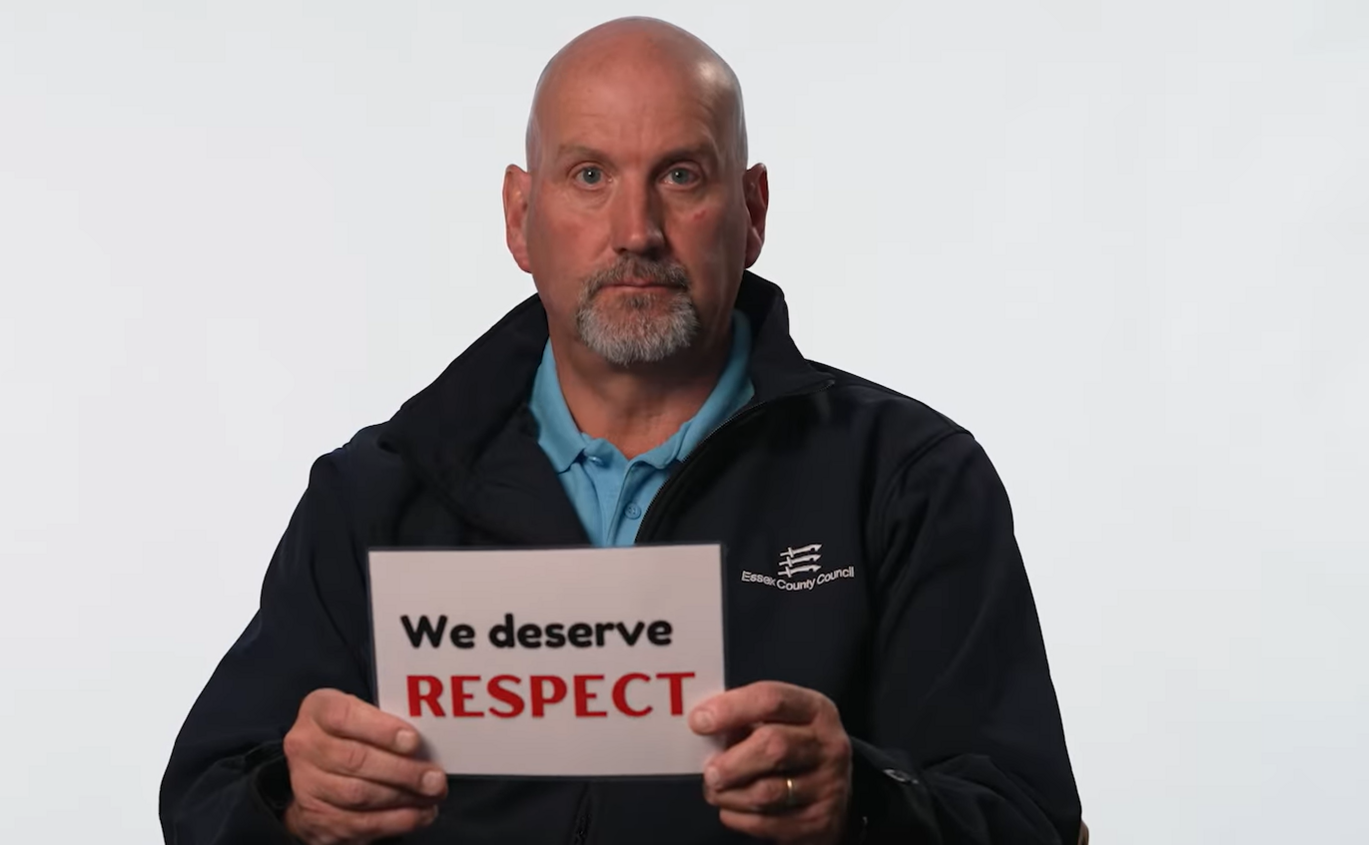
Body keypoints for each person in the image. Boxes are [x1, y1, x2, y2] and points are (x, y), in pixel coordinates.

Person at [159, 16, 1084, 845]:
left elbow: (1030, 818)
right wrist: (291, 801)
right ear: (523, 219)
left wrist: (866, 801)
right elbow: (203, 799)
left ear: (752, 212)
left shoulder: (908, 481)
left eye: (681, 175)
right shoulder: (381, 489)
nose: (635, 229)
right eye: (590, 175)